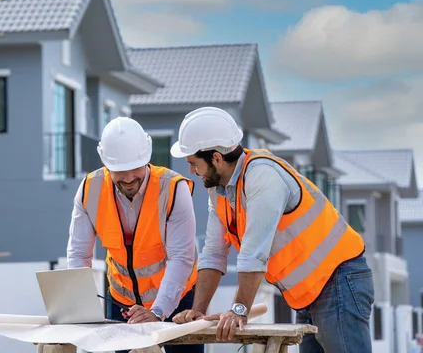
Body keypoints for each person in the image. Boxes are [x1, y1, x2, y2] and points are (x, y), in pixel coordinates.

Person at [169, 107, 374, 352]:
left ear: (216, 158)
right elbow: (213, 253)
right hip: (310, 292)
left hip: (339, 280)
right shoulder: (219, 190)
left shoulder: (262, 176)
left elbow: (254, 253)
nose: (191, 171)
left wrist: (239, 310)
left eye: (193, 163)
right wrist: (198, 311)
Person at [66, 117, 203, 353]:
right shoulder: (90, 189)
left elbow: (181, 258)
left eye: (135, 168)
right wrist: (79, 308)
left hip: (179, 298)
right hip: (122, 300)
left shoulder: (172, 189)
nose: (129, 178)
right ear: (106, 164)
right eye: (120, 170)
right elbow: (79, 255)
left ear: (147, 158)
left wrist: (158, 312)